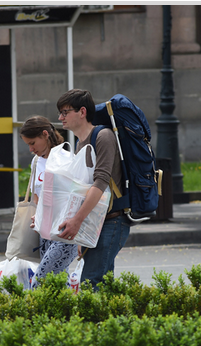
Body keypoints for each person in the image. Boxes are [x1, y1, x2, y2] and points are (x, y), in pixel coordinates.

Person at [55, 89, 131, 290]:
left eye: (65, 112)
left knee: (91, 284)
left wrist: (77, 222)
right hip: (96, 223)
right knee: (102, 285)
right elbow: (82, 190)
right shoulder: (81, 144)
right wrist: (82, 232)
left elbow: (101, 182)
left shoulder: (103, 136)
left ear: (82, 112)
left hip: (113, 220)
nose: (60, 117)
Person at [20, 115, 78, 289]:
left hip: (63, 233)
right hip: (44, 233)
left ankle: (32, 315)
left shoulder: (67, 159)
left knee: (40, 282)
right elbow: (36, 195)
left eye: (32, 143)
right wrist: (36, 215)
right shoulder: (36, 161)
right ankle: (71, 315)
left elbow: (74, 198)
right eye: (27, 145)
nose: (31, 149)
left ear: (45, 134)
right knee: (59, 285)